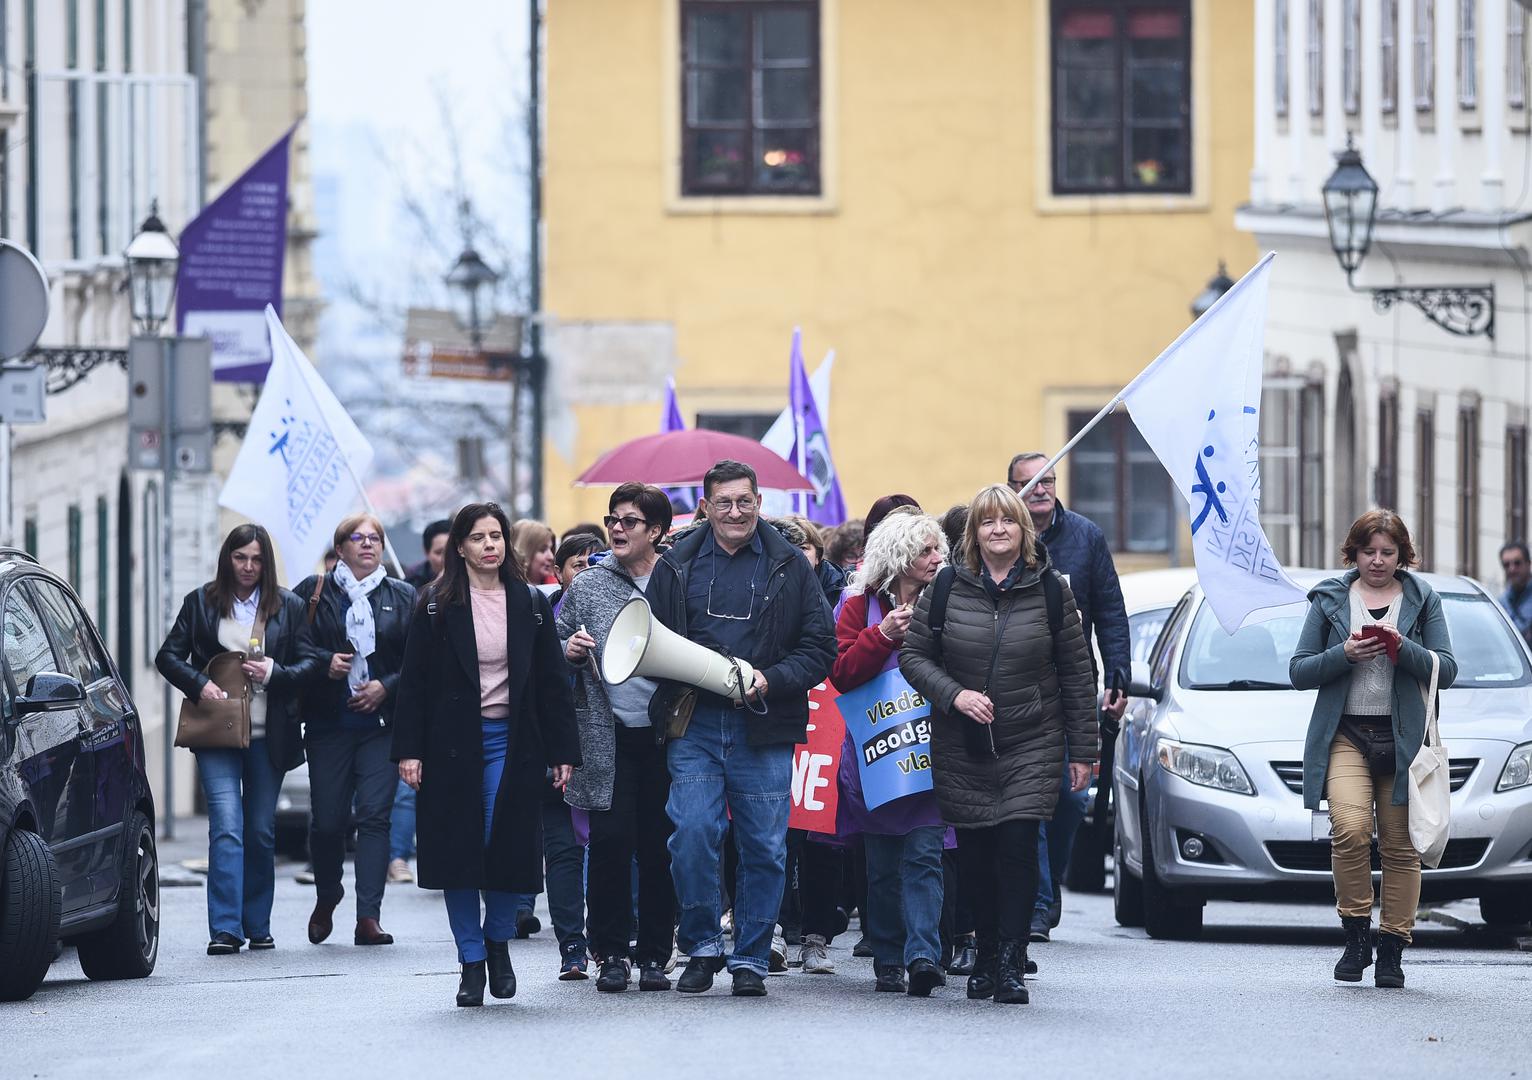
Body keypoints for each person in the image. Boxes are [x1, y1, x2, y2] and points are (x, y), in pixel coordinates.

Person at [900, 483, 1098, 1005]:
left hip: (1031, 739)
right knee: (978, 856)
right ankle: (984, 955)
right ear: (975, 533)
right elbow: (914, 659)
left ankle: (1011, 962)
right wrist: (956, 695)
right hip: (962, 743)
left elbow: (1078, 675)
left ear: (1023, 529)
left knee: (1016, 849)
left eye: (1007, 521)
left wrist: (1083, 751)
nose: (998, 530)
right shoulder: (944, 588)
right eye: (987, 522)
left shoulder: (1053, 590)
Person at [644, 459, 836, 997]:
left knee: (765, 847)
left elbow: (821, 648)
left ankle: (751, 956)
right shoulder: (674, 563)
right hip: (695, 721)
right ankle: (702, 947)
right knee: (693, 835)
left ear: (759, 503)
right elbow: (648, 641)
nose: (735, 512)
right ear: (705, 506)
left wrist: (770, 682)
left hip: (765, 723)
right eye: (724, 502)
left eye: (745, 501)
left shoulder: (790, 565)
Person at [392, 502, 581, 1007]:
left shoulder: (530, 604)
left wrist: (564, 751)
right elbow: (413, 685)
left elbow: (551, 683)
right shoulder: (435, 604)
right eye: (478, 537)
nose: (489, 545)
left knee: (506, 847)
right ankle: (471, 960)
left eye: (496, 536)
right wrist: (409, 751)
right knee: (458, 854)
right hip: (451, 745)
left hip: (513, 742)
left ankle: (497, 941)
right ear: (460, 546)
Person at [1290, 509, 1456, 990]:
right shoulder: (1329, 599)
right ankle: (1356, 933)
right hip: (1348, 734)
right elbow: (1299, 671)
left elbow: (1446, 669)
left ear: (1403, 555)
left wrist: (1404, 649)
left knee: (1402, 848)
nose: (1378, 561)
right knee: (1350, 827)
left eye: (1388, 552)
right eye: (1369, 552)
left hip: (1405, 740)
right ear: (1354, 553)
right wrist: (1342, 656)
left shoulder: (1424, 601)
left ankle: (1392, 949)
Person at [156, 524, 320, 955]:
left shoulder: (288, 605)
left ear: (266, 563)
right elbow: (167, 656)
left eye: (256, 559)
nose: (248, 567)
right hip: (216, 732)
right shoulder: (202, 602)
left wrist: (274, 673)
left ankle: (257, 923)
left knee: (261, 831)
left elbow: (311, 664)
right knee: (227, 827)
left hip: (269, 735)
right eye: (240, 557)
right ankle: (225, 928)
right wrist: (198, 683)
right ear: (227, 558)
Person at [1007, 451, 1129, 942]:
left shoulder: (1085, 537)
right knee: (1033, 796)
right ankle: (1037, 903)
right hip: (1020, 689)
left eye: (1047, 480)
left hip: (1074, 687)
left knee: (1071, 798)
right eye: (1029, 482)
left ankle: (1049, 883)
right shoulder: (1000, 534)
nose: (1039, 489)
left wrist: (1118, 678)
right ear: (1012, 487)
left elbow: (1113, 613)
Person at [560, 483, 678, 993]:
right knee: (609, 844)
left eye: (630, 521)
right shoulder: (588, 584)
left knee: (659, 848)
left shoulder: (680, 578)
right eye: (613, 520)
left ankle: (654, 953)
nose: (617, 529)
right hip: (606, 734)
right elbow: (555, 633)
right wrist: (568, 647)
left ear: (656, 531)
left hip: (669, 735)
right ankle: (609, 951)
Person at [830, 511, 950, 996]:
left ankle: (923, 955)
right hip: (876, 755)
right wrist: (883, 637)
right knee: (880, 863)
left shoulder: (950, 598)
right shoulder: (860, 605)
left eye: (938, 548)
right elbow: (839, 671)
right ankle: (887, 958)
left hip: (930, 750)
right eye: (925, 551)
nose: (937, 558)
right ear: (898, 557)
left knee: (924, 854)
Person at [292, 514, 417, 948]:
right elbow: (292, 646)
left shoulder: (402, 596)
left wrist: (387, 686)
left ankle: (369, 916)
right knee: (328, 822)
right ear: (340, 547)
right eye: (357, 538)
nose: (367, 544)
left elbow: (418, 662)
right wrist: (324, 662)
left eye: (375, 538)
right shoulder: (313, 592)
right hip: (329, 724)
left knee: (375, 819)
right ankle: (328, 894)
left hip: (381, 728)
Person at [551, 532, 603, 611]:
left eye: (594, 564)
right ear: (559, 573)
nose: (589, 571)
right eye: (579, 566)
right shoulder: (545, 613)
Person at [1498, 541, 1532, 643]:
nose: (1512, 569)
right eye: (1506, 565)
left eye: (1517, 563)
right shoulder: (1501, 602)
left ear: (1528, 564)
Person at [510, 519, 558, 586]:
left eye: (551, 549)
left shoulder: (558, 590)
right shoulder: (502, 590)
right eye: (542, 550)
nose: (551, 557)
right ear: (524, 550)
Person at [406, 519, 451, 590]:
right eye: (439, 552)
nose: (447, 558)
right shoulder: (414, 579)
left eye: (452, 551)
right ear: (426, 552)